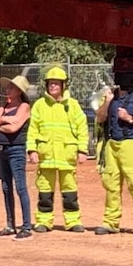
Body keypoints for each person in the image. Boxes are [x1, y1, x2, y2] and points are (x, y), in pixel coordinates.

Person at [27, 66, 88, 233]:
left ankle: (73, 221)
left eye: (56, 83)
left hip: (66, 155)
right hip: (45, 156)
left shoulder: (73, 105)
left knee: (70, 191)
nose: (53, 86)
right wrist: (32, 149)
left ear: (63, 85)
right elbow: (33, 129)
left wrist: (82, 150)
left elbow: (82, 128)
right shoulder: (40, 105)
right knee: (45, 192)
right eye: (50, 83)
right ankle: (44, 222)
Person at [95, 83, 133, 236]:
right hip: (111, 145)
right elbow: (100, 119)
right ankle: (110, 222)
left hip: (131, 144)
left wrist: (130, 118)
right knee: (111, 184)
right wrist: (107, 101)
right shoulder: (109, 96)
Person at [0, 75, 32, 239]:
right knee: (6, 188)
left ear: (19, 91)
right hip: (2, 151)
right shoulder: (4, 106)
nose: (8, 90)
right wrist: (4, 121)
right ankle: (10, 225)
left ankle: (26, 226)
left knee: (20, 187)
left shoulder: (24, 106)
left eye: (11, 87)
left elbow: (15, 128)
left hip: (16, 150)